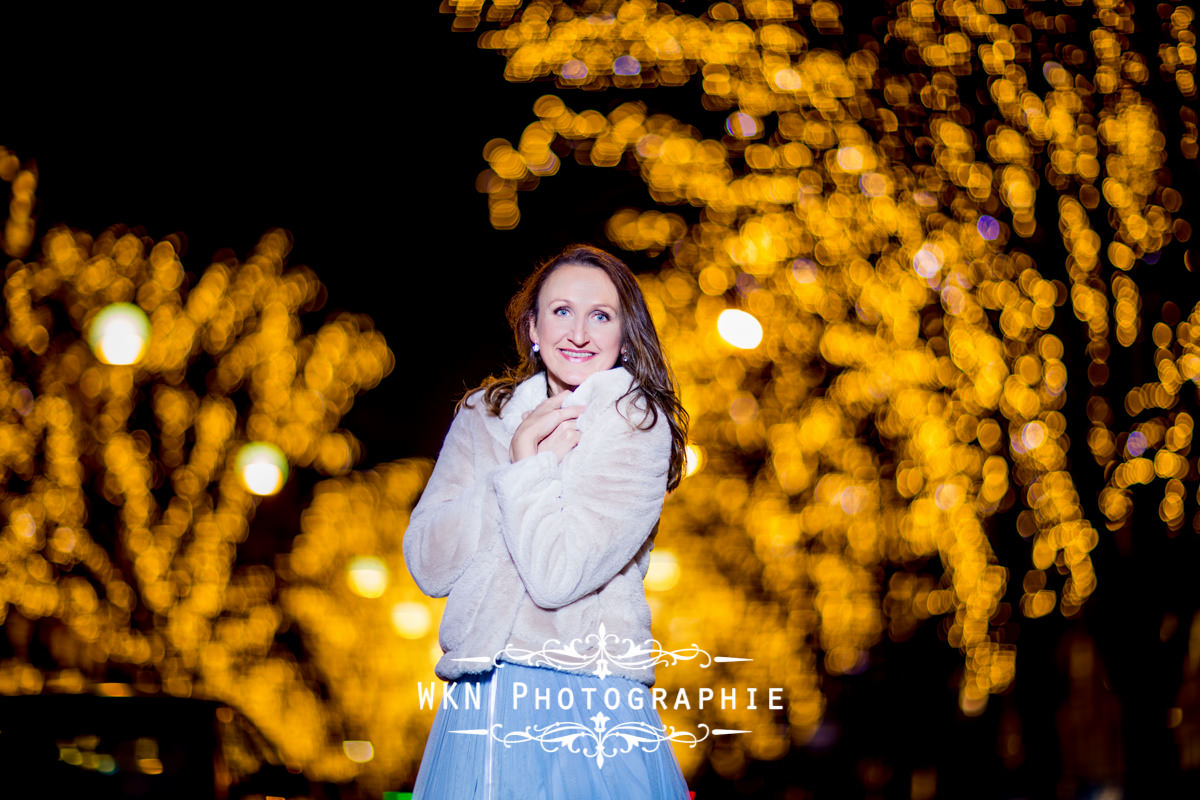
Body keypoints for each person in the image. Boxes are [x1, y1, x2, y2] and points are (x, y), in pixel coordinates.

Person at [404, 244, 691, 799]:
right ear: (532, 327)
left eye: (600, 315)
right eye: (561, 311)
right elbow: (428, 564)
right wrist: (521, 461)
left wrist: (530, 470)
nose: (578, 333)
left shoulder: (636, 425)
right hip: (480, 693)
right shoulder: (482, 415)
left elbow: (556, 577)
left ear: (625, 337)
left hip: (584, 696)